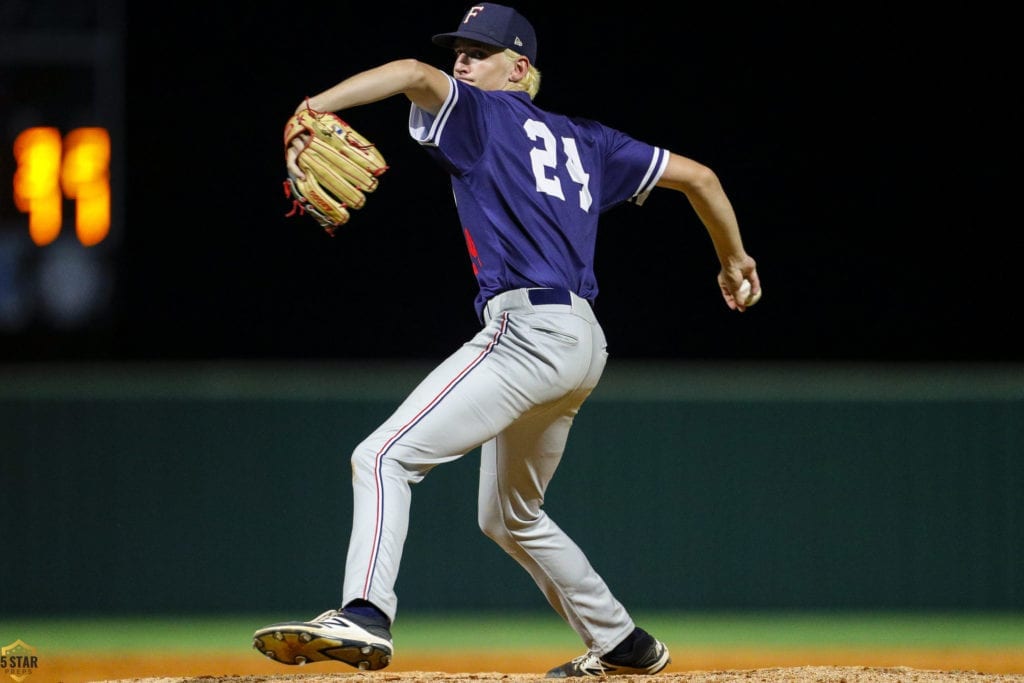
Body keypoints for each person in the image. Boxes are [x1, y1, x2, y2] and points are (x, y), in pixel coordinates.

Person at [252, 3, 761, 677]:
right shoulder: (590, 140)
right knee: (511, 514)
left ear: (520, 68)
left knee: (381, 457)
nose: (461, 61)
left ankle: (365, 613)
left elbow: (410, 72)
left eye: (478, 51)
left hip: (528, 332)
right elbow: (700, 177)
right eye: (458, 50)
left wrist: (310, 107)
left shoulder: (480, 115)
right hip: (583, 343)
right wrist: (734, 259)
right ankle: (622, 642)